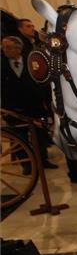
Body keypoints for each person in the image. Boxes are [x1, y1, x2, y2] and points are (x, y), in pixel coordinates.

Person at [2, 36, 56, 169]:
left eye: (8, 47)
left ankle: (43, 161)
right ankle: (27, 165)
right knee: (19, 139)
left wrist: (47, 104)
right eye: (3, 47)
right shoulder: (2, 64)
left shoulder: (32, 61)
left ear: (18, 48)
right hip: (12, 108)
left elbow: (42, 83)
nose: (4, 50)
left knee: (40, 136)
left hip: (34, 106)